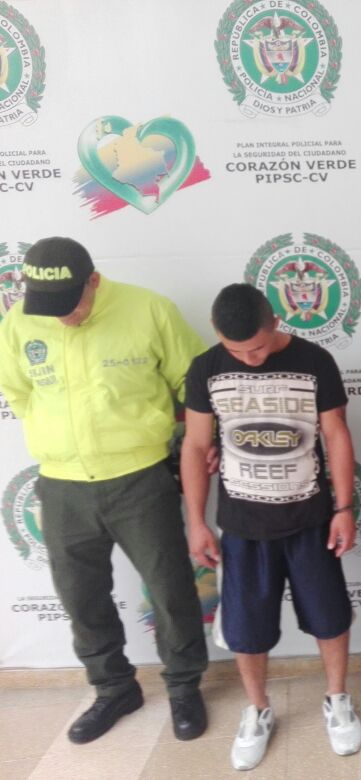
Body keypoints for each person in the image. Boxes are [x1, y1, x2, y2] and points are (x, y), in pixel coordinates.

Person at [0, 237, 209, 743]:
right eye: (50, 307)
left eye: (70, 303)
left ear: (93, 280)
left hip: (140, 478)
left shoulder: (149, 310)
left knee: (170, 590)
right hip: (62, 484)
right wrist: (61, 440)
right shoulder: (19, 322)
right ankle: (113, 687)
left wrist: (182, 445)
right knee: (80, 596)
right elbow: (18, 392)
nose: (62, 317)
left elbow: (196, 383)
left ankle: (184, 687)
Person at [180, 283, 361, 770]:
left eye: (257, 348)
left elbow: (336, 433)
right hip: (242, 524)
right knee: (246, 629)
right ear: (216, 333)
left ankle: (337, 698)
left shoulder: (315, 361)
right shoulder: (205, 368)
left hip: (310, 517)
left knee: (329, 616)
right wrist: (196, 522)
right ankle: (258, 709)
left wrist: (345, 508)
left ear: (276, 322)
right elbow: (195, 446)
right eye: (237, 350)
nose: (249, 359)